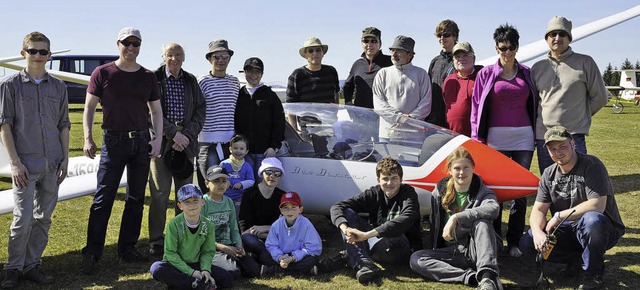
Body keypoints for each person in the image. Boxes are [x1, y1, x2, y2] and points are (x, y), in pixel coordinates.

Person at [81, 27, 163, 274]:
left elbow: (156, 111)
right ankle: (92, 253)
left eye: (135, 43)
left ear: (140, 46)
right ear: (118, 44)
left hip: (141, 143)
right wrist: (87, 138)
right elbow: (89, 108)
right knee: (103, 199)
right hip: (113, 142)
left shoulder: (148, 76)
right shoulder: (103, 72)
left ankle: (127, 248)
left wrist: (157, 139)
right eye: (126, 43)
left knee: (136, 198)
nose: (131, 47)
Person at [0, 31, 70, 288]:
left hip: (52, 163)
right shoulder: (9, 86)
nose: (38, 56)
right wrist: (15, 162)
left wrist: (65, 160)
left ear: (49, 55)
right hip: (25, 166)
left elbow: (64, 124)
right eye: (33, 51)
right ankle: (13, 268)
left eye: (43, 52)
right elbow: (4, 125)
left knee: (44, 218)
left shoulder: (58, 87)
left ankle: (32, 265)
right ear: (23, 54)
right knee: (23, 217)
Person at [519, 126, 625, 290]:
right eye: (552, 149)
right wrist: (538, 233)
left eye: (562, 146)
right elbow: (539, 209)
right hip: (568, 229)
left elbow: (597, 205)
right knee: (527, 241)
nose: (558, 152)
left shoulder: (591, 165)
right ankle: (577, 261)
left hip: (601, 228)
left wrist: (559, 215)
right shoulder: (548, 173)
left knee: (592, 221)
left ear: (573, 143)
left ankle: (592, 275)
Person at [471, 24, 537, 258]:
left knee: (519, 193)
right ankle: (495, 239)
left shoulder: (527, 73)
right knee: (495, 192)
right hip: (495, 140)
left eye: (511, 48)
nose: (506, 52)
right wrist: (476, 138)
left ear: (517, 47)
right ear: (496, 47)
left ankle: (515, 241)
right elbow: (476, 107)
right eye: (502, 48)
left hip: (524, 139)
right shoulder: (486, 74)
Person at [410, 147, 502, 290]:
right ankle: (470, 277)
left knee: (482, 223)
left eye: (466, 167)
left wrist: (456, 217)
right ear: (450, 170)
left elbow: (493, 208)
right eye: (457, 168)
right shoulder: (439, 192)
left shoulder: (482, 191)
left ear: (473, 168)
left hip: (477, 249)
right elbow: (435, 225)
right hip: (452, 252)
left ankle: (488, 278)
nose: (461, 172)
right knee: (417, 258)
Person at [148, 42, 206, 257]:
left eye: (178, 55)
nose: (174, 59)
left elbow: (201, 109)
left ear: (184, 57)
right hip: (161, 142)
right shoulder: (154, 78)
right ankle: (156, 239)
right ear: (163, 56)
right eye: (170, 55)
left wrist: (187, 135)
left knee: (185, 194)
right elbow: (149, 111)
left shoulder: (190, 80)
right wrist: (173, 134)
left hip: (186, 143)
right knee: (159, 193)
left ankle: (181, 237)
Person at [531, 16, 608, 174]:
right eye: (553, 34)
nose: (557, 38)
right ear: (547, 38)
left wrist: (580, 115)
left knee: (578, 183)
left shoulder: (585, 63)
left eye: (562, 34)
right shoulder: (537, 68)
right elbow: (533, 101)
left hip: (573, 136)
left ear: (569, 38)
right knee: (550, 182)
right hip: (544, 137)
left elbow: (600, 97)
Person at [329, 157, 423, 284]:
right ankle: (363, 263)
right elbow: (337, 207)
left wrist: (366, 235)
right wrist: (346, 230)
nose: (390, 183)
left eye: (394, 178)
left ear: (401, 179)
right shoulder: (374, 192)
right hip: (375, 241)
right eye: (385, 178)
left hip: (400, 246)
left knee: (394, 234)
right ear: (379, 180)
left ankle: (353, 256)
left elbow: (406, 218)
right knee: (347, 212)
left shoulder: (408, 193)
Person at [149, 184, 233, 290]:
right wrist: (192, 273)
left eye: (195, 201)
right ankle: (197, 285)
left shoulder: (208, 224)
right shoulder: (174, 224)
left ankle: (186, 284)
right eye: (187, 202)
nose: (192, 205)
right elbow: (170, 253)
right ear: (180, 205)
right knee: (156, 268)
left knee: (227, 278)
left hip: (196, 264)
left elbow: (208, 251)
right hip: (176, 265)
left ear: (202, 201)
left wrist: (205, 270)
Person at [201, 165, 260, 278]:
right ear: (207, 183)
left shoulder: (228, 202)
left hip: (230, 245)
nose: (221, 184)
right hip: (211, 248)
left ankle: (232, 261)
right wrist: (224, 248)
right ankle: (208, 264)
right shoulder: (203, 203)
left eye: (224, 181)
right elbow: (201, 236)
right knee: (233, 272)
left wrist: (238, 244)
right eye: (216, 181)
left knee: (254, 270)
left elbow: (234, 228)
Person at [197, 39, 239, 192]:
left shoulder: (234, 82)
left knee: (228, 186)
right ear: (209, 59)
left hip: (230, 144)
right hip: (208, 143)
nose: (221, 60)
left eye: (225, 56)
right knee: (211, 187)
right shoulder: (202, 81)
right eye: (216, 57)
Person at [286, 37, 339, 158]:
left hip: (328, 125)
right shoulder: (297, 75)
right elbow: (291, 106)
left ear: (322, 53)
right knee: (312, 159)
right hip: (308, 128)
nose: (314, 53)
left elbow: (336, 95)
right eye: (310, 51)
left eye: (318, 50)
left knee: (330, 159)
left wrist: (334, 116)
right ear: (305, 55)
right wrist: (295, 131)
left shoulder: (331, 71)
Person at [372, 35, 431, 142]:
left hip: (414, 136)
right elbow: (379, 104)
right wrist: (399, 117)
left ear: (409, 54)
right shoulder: (383, 74)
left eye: (399, 51)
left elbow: (426, 104)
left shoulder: (421, 74)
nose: (394, 54)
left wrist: (410, 118)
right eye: (392, 50)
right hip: (387, 135)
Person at [234, 57, 285, 181]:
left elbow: (279, 123)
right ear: (244, 72)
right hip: (242, 153)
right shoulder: (238, 95)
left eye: (257, 72)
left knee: (263, 186)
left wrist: (273, 146)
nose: (253, 75)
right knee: (245, 187)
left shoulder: (270, 95)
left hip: (264, 152)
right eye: (250, 71)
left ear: (262, 74)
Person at [238, 158, 286, 265]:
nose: (272, 176)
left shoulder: (283, 196)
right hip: (254, 236)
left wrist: (265, 228)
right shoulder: (249, 194)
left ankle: (262, 257)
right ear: (261, 174)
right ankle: (271, 255)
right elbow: (245, 228)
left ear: (280, 177)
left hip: (273, 236)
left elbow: (287, 225)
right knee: (247, 239)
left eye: (277, 173)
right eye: (268, 172)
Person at [262, 191, 322, 276]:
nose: (289, 211)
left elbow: (314, 248)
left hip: (298, 255)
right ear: (281, 211)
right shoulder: (276, 225)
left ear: (300, 209)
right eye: (285, 208)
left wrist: (293, 258)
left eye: (293, 207)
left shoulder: (306, 224)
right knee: (264, 255)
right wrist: (279, 258)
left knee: (311, 260)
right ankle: (304, 271)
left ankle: (275, 270)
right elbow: (271, 245)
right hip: (282, 254)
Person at [342, 27, 392, 108]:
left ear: (380, 43)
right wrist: (348, 102)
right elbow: (348, 86)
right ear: (362, 44)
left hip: (383, 115)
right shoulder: (357, 64)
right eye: (366, 41)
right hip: (360, 115)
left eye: (373, 41)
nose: (369, 45)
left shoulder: (390, 62)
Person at [442, 42, 483, 137]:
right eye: (457, 56)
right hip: (453, 138)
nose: (461, 59)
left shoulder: (482, 77)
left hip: (477, 138)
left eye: (465, 55)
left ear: (473, 58)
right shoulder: (449, 80)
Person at [427, 19, 459, 128]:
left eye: (446, 35)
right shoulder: (435, 61)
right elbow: (428, 90)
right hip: (434, 119)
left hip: (453, 119)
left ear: (454, 36)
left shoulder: (461, 60)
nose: (442, 38)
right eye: (439, 35)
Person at [219, 134, 254, 216]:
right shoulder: (224, 164)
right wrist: (226, 182)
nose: (238, 151)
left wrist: (241, 184)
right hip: (224, 197)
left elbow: (251, 181)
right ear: (230, 149)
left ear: (246, 151)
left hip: (240, 197)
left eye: (241, 149)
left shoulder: (247, 166)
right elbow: (219, 178)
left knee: (237, 216)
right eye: (235, 148)